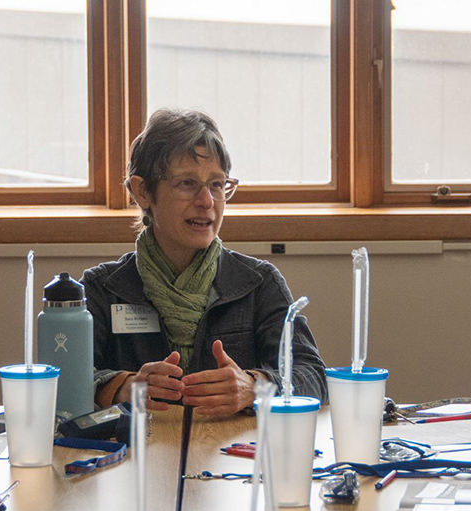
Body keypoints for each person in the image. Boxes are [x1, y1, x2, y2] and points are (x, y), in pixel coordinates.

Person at [82, 108, 326, 416]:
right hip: (136, 456)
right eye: (186, 183)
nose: (207, 202)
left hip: (231, 458)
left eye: (216, 184)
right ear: (142, 191)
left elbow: (313, 375)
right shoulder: (102, 288)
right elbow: (63, 382)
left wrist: (254, 387)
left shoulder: (258, 283)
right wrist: (121, 387)